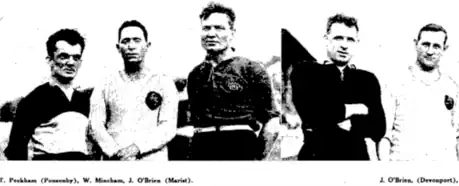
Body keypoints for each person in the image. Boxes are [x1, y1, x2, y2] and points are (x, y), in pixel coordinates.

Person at [185, 2, 280, 160]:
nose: (211, 34)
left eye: (219, 28)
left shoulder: (251, 69)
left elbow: (272, 122)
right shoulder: (195, 75)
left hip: (239, 148)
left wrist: (256, 158)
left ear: (232, 33)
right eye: (206, 28)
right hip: (201, 149)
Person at [292, 14, 386, 160]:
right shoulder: (305, 71)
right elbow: (311, 115)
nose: (344, 45)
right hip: (316, 158)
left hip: (356, 159)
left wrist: (333, 121)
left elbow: (378, 127)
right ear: (326, 39)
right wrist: (356, 109)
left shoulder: (367, 79)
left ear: (357, 43)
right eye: (338, 38)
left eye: (350, 40)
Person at [89, 20, 178, 161]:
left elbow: (168, 127)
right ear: (118, 48)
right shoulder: (105, 83)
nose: (131, 46)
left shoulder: (164, 83)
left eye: (137, 40)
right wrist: (115, 152)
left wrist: (137, 148)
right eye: (125, 41)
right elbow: (95, 125)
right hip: (115, 162)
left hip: (151, 162)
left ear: (147, 45)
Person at [4, 29, 93, 160]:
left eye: (76, 57)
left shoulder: (85, 99)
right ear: (50, 60)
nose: (70, 62)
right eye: (63, 56)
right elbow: (15, 150)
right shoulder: (34, 99)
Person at [379, 23, 459, 161]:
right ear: (415, 44)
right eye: (425, 44)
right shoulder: (395, 83)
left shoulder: (452, 87)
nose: (430, 51)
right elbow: (385, 135)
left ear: (444, 49)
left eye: (436, 46)